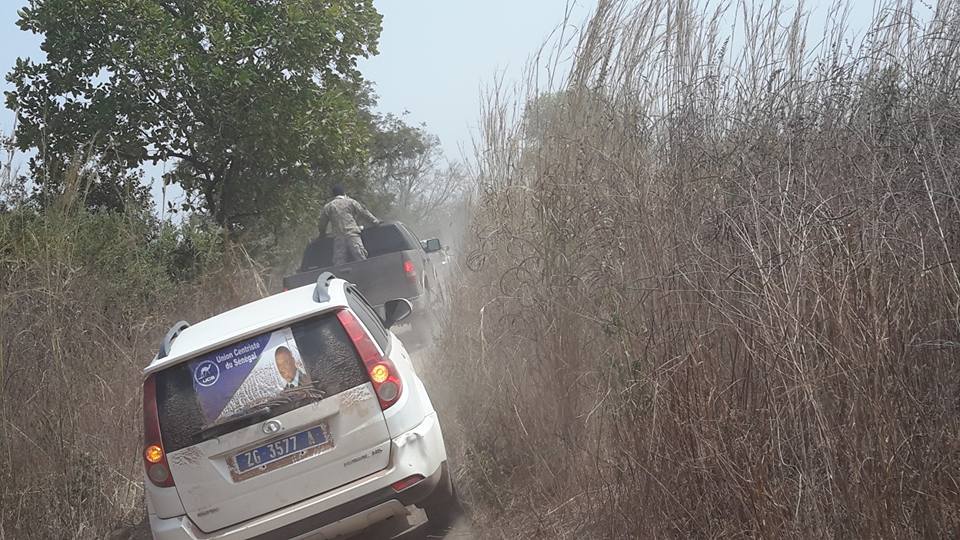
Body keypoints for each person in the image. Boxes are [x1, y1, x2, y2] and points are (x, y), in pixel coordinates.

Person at [317, 184, 381, 265]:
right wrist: (375, 221)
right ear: (344, 193)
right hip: (352, 235)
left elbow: (322, 223)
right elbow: (363, 212)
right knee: (361, 258)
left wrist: (322, 234)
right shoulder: (350, 202)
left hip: (339, 237)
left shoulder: (329, 206)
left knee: (339, 263)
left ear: (333, 195)